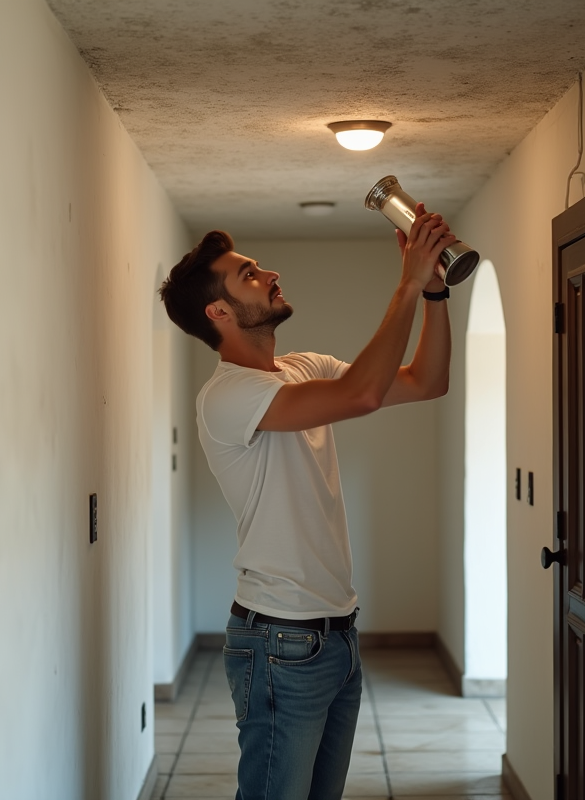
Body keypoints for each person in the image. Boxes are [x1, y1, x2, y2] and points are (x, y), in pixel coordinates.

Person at [157, 204, 456, 800]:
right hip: (279, 643)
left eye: (258, 267)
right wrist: (405, 282)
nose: (268, 275)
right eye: (248, 274)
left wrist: (434, 294)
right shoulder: (228, 396)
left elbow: (427, 382)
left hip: (336, 633)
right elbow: (363, 394)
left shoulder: (302, 367)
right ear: (219, 312)